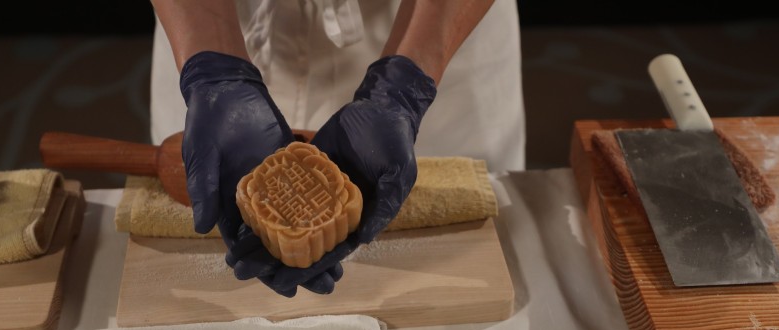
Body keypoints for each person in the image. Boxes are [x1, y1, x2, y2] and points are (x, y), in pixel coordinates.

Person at [149, 0, 525, 297]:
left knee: (456, 266)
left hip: (431, 27)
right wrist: (212, 64)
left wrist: (403, 87)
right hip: (206, 18)